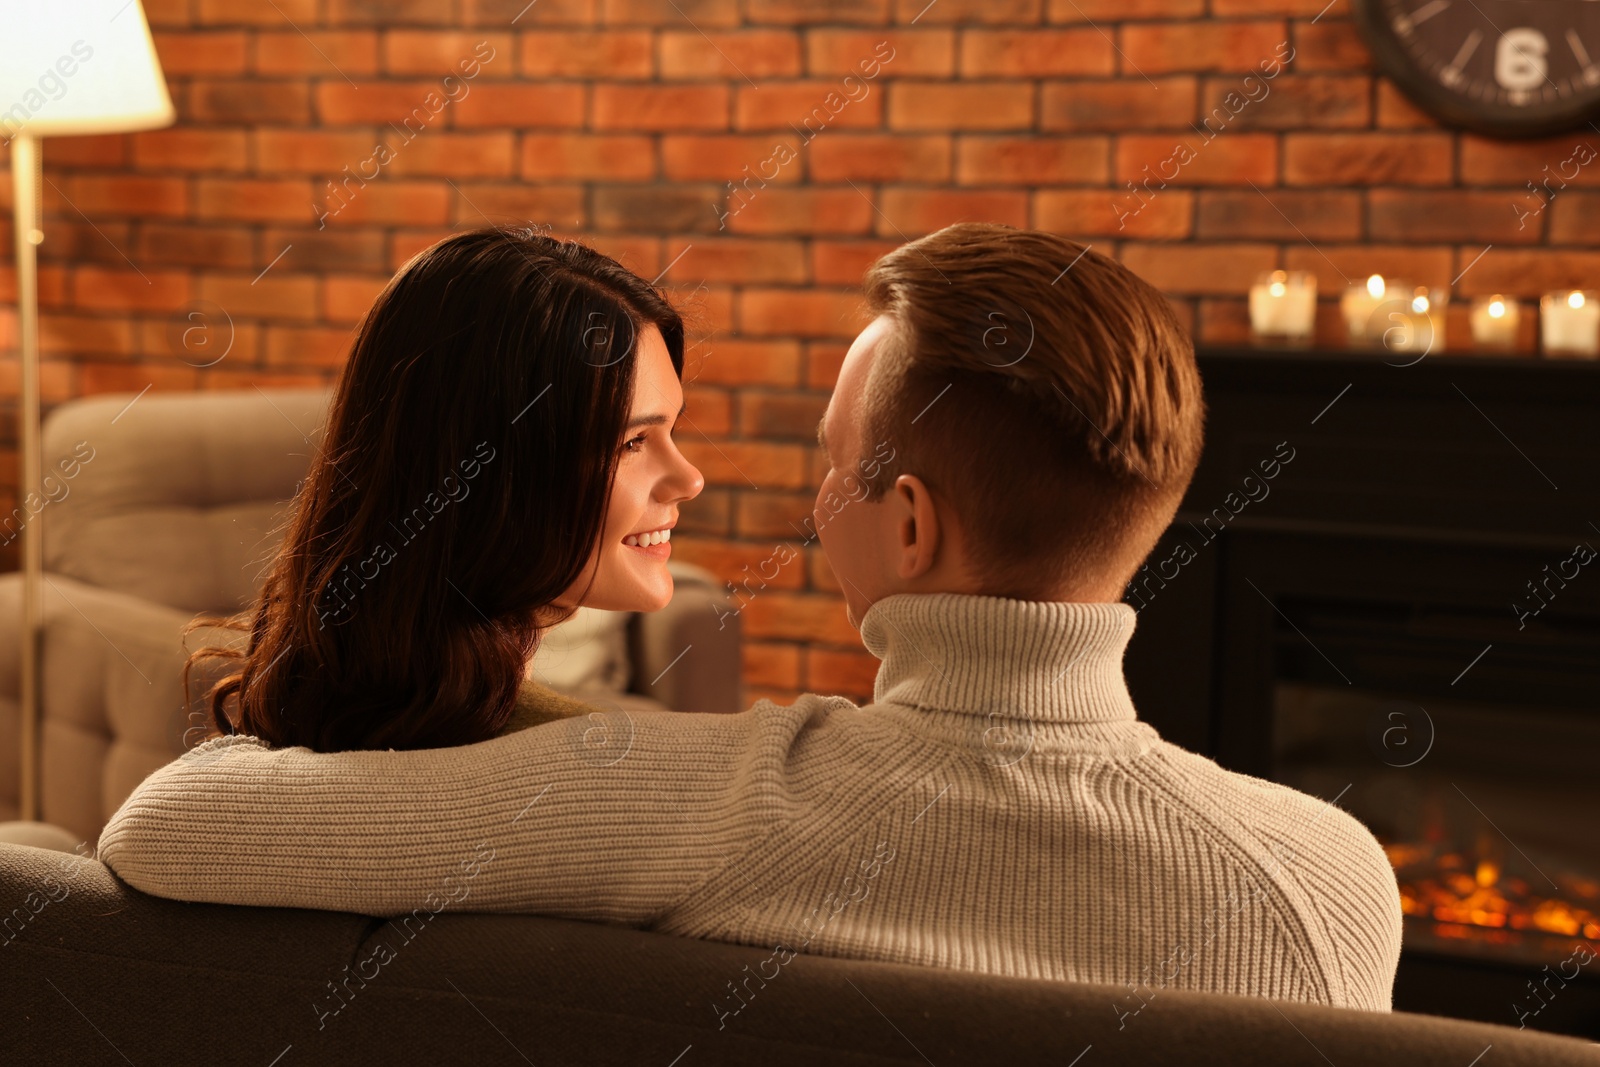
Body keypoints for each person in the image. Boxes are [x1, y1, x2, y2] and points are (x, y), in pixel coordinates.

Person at [99, 223, 1403, 1015]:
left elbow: (166, 824)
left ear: (907, 526)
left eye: (830, 464)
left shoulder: (697, 797)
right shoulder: (1329, 883)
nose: (784, 493)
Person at [175, 226, 704, 753]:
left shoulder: (311, 723)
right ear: (492, 471)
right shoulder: (610, 766)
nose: (690, 480)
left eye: (670, 431)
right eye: (632, 442)